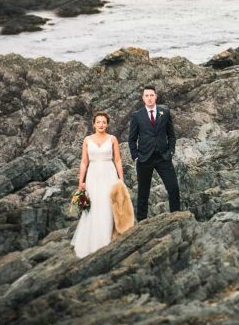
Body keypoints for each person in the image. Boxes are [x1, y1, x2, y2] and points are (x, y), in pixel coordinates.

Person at [72, 111, 124, 258]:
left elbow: (118, 160)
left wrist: (121, 179)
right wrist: (81, 181)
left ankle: (108, 240)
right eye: (98, 122)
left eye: (104, 122)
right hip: (93, 175)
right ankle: (92, 242)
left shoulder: (113, 139)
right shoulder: (87, 140)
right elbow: (84, 162)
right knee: (94, 206)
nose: (101, 124)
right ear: (94, 124)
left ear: (107, 124)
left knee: (108, 205)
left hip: (109, 173)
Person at [127, 85, 181, 221]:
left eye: (152, 95)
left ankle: (176, 217)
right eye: (147, 96)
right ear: (143, 98)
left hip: (163, 157)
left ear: (156, 96)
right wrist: (136, 156)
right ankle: (141, 222)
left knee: (173, 188)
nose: (149, 98)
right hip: (144, 159)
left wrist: (170, 152)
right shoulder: (137, 116)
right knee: (143, 193)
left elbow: (172, 135)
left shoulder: (165, 112)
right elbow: (132, 139)